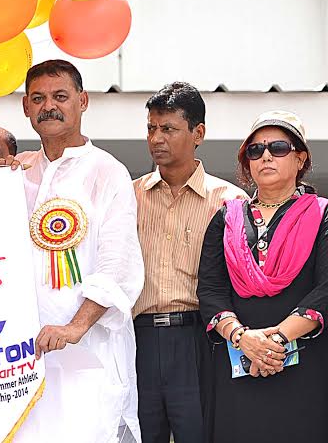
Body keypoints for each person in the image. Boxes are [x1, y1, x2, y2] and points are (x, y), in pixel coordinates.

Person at [0, 60, 143, 441]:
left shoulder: (107, 171)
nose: (49, 107)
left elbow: (117, 263)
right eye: (38, 99)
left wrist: (74, 327)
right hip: (15, 357)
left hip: (86, 350)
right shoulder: (14, 172)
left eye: (60, 96)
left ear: (83, 101)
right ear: (26, 107)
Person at [197, 110, 328, 441]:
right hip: (238, 364)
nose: (265, 156)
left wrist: (275, 342)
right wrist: (245, 340)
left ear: (300, 159)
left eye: (279, 148)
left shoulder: (323, 214)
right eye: (255, 150)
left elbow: (325, 289)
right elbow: (210, 291)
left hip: (305, 367)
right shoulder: (227, 218)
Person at [133, 82, 246, 443]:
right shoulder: (128, 195)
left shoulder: (230, 201)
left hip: (201, 339)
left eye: (168, 129)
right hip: (137, 339)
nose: (157, 139)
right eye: (152, 128)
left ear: (198, 133)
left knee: (201, 434)